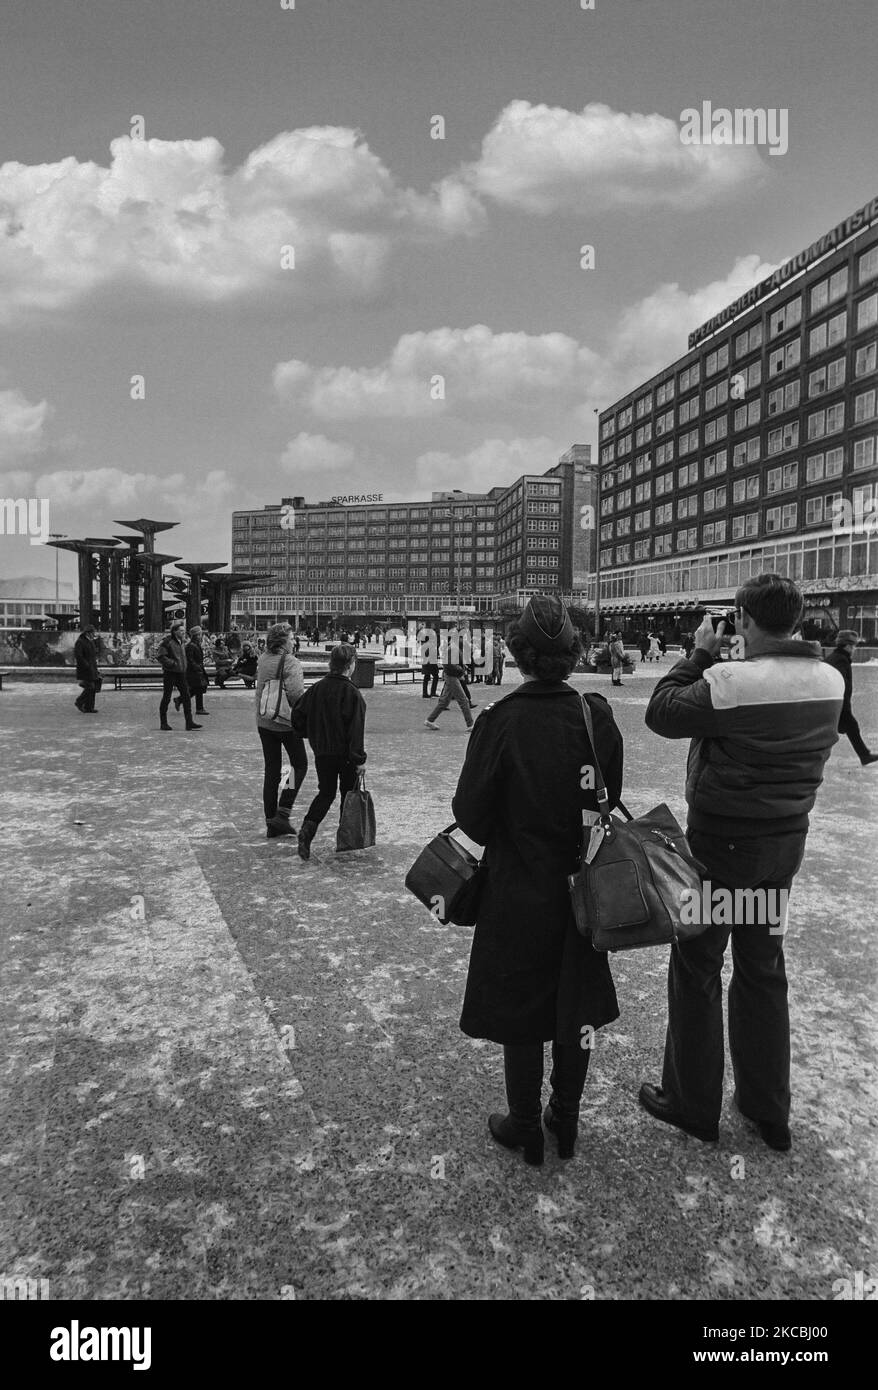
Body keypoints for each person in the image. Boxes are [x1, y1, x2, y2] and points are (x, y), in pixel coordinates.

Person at [640, 574, 844, 1152]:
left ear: (746, 620)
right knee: (762, 969)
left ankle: (692, 1103)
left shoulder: (732, 681)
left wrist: (700, 652)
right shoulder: (828, 679)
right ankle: (767, 1109)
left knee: (698, 963)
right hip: (783, 849)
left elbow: (662, 713)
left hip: (721, 848)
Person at [453, 595, 624, 1165]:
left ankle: (524, 1122)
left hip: (516, 890)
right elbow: (608, 798)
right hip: (582, 889)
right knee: (573, 1006)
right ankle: (565, 1119)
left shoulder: (500, 722)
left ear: (516, 653)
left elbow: (472, 817)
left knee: (521, 1007)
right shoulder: (594, 715)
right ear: (573, 653)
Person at [292, 643, 367, 860]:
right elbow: (356, 731)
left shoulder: (317, 688)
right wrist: (359, 760)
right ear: (351, 665)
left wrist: (311, 733)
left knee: (325, 793)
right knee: (347, 795)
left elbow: (297, 716)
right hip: (345, 756)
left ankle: (307, 830)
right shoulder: (352, 693)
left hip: (322, 752)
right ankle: (346, 839)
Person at [256, 623, 308, 839]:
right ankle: (284, 810)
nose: (293, 641)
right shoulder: (290, 662)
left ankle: (271, 822)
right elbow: (296, 695)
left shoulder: (263, 659)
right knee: (299, 765)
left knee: (272, 770)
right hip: (285, 723)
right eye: (291, 638)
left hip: (264, 720)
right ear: (283, 641)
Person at [824, 630, 878, 766]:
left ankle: (864, 755)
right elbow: (841, 683)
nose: (854, 649)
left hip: (832, 704)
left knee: (846, 728)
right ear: (847, 646)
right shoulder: (841, 660)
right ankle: (864, 756)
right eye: (854, 646)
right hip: (838, 704)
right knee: (847, 727)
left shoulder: (835, 657)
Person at [156, 619, 201, 731]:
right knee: (166, 697)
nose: (183, 632)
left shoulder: (182, 642)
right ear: (174, 631)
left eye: (183, 630)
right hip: (170, 673)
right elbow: (161, 656)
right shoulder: (167, 642)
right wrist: (172, 664)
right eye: (181, 630)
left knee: (186, 696)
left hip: (181, 673)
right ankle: (163, 722)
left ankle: (189, 722)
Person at [424, 645, 474, 731]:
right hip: (452, 676)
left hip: (451, 675)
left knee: (444, 701)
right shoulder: (454, 648)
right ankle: (470, 724)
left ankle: (430, 720)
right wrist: (461, 669)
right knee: (463, 700)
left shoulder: (455, 648)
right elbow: (449, 663)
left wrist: (462, 666)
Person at [176, 625, 209, 715]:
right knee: (198, 688)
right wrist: (196, 667)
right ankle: (199, 708)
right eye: (200, 634)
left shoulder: (195, 645)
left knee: (197, 688)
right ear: (197, 635)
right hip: (194, 671)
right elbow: (190, 659)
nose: (201, 636)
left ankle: (180, 699)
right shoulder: (191, 646)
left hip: (197, 670)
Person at [73, 624, 100, 714]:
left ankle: (89, 707)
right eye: (93, 632)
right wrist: (86, 665)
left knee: (93, 688)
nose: (94, 634)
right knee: (90, 687)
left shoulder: (90, 641)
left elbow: (92, 656)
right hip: (85, 669)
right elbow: (78, 656)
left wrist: (95, 667)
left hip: (92, 668)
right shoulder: (80, 642)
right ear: (87, 633)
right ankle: (79, 702)